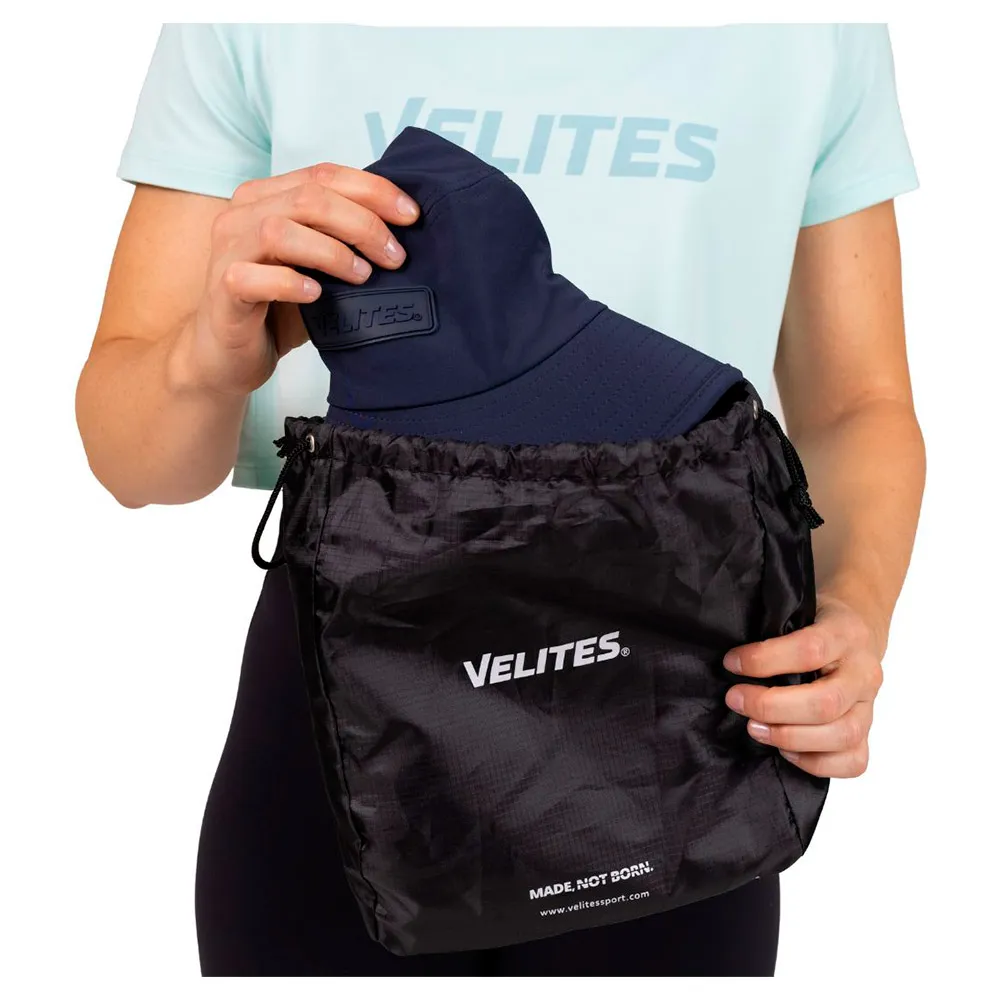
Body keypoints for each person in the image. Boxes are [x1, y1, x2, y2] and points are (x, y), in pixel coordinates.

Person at [75, 23, 926, 977]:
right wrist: (210, 352)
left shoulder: (813, 29)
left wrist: (853, 611)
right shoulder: (250, 22)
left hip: (678, 696)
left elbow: (857, 405)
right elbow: (134, 464)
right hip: (363, 673)